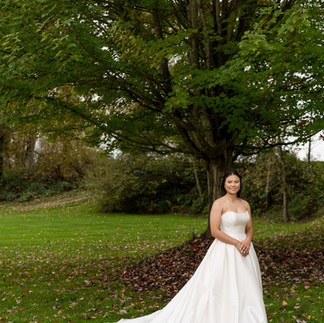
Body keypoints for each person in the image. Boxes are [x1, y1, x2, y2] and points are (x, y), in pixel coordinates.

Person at [115, 170, 267, 323]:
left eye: (236, 182)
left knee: (247, 284)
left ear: (240, 184)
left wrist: (247, 240)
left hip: (246, 250)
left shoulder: (245, 204)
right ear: (224, 184)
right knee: (221, 284)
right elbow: (214, 231)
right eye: (230, 182)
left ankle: (248, 315)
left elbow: (250, 227)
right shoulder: (219, 203)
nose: (233, 185)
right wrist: (236, 243)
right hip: (226, 249)